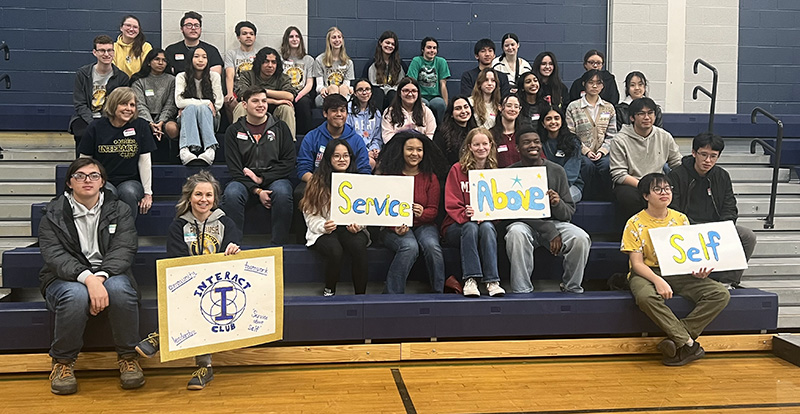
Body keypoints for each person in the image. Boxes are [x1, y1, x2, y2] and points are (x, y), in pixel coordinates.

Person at [40, 158, 143, 395]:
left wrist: (101, 277)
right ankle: (62, 363)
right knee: (76, 295)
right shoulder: (52, 213)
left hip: (110, 273)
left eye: (94, 176)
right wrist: (88, 279)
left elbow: (124, 248)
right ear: (69, 182)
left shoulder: (120, 209)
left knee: (120, 290)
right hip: (64, 278)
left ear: (103, 182)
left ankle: (128, 358)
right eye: (80, 176)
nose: (88, 180)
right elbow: (55, 257)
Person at [136, 171, 242, 390]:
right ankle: (205, 368)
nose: (204, 199)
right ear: (189, 197)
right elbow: (175, 260)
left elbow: (233, 257)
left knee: (202, 303)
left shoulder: (226, 223)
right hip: (190, 282)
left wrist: (234, 251)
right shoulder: (178, 226)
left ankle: (161, 335)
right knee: (191, 299)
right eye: (198, 194)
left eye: (209, 195)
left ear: (215, 198)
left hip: (219, 285)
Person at [621, 173, 730, 366]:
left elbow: (687, 256)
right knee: (646, 297)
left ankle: (677, 339)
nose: (664, 193)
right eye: (657, 189)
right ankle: (688, 343)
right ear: (646, 196)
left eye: (667, 188)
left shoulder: (681, 219)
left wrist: (698, 271)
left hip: (677, 271)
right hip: (646, 272)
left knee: (720, 293)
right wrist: (657, 280)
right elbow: (637, 263)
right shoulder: (634, 223)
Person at [504, 129, 591, 293]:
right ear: (517, 148)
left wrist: (557, 203)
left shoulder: (557, 170)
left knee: (581, 238)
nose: (533, 145)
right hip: (525, 225)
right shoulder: (510, 173)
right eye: (527, 142)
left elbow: (567, 213)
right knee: (515, 233)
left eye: (536, 141)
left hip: (555, 223)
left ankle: (571, 288)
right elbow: (511, 214)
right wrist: (548, 230)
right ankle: (521, 290)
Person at [668, 132, 758, 288]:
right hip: (686, 228)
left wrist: (723, 227)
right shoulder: (677, 175)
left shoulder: (722, 176)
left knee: (747, 236)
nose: (707, 160)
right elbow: (672, 208)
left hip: (715, 228)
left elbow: (730, 206)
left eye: (713, 156)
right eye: (703, 154)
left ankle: (728, 282)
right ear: (694, 152)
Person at [221, 86, 295, 245]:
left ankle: (278, 245)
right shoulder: (233, 131)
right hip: (243, 180)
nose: (261, 105)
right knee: (232, 194)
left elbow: (289, 162)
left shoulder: (281, 127)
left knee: (282, 193)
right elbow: (235, 168)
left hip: (275, 178)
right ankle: (233, 245)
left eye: (264, 101)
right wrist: (257, 189)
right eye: (255, 101)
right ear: (244, 105)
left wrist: (262, 178)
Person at [376, 131, 448, 293]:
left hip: (424, 225)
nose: (414, 153)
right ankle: (392, 295)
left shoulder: (430, 178)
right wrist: (394, 228)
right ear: (402, 150)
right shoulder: (390, 176)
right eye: (410, 149)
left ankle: (439, 292)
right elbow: (380, 211)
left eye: (419, 150)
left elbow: (433, 211)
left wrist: (422, 213)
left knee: (432, 246)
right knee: (409, 246)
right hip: (394, 227)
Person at [300, 139, 370, 296]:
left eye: (346, 155)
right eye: (336, 156)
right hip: (324, 230)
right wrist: (323, 226)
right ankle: (329, 290)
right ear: (329, 158)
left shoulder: (359, 180)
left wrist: (359, 226)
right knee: (334, 250)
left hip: (349, 228)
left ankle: (361, 296)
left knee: (359, 246)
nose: (342, 159)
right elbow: (310, 216)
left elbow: (367, 211)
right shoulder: (316, 182)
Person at [442, 127, 506, 297]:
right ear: (469, 146)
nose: (481, 148)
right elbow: (451, 202)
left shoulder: (495, 171)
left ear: (491, 145)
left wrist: (486, 215)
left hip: (485, 224)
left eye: (485, 144)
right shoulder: (457, 169)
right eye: (476, 144)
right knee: (470, 227)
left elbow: (500, 205)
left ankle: (492, 281)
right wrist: (467, 213)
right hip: (456, 225)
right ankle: (470, 280)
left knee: (486, 227)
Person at [78, 87, 155, 222]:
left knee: (128, 192)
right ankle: (107, 236)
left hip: (131, 181)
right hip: (102, 180)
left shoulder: (141, 125)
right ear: (114, 104)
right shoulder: (96, 127)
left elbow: (145, 161)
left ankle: (126, 235)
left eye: (132, 105)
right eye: (124, 104)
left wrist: (148, 193)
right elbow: (84, 161)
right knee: (108, 193)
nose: (129, 109)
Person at [610, 97, 682, 225]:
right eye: (641, 114)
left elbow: (677, 163)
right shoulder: (620, 140)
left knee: (675, 194)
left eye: (650, 113)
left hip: (658, 183)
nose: (647, 117)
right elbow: (618, 174)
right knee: (628, 197)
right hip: (632, 184)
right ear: (632, 117)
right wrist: (645, 186)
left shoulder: (664, 136)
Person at [69, 35, 130, 153]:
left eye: (110, 50)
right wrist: (92, 123)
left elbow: (119, 104)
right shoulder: (83, 74)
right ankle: (82, 166)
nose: (106, 54)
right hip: (85, 117)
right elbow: (79, 104)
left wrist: (103, 121)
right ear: (94, 52)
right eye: (102, 50)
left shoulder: (122, 78)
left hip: (110, 117)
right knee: (82, 133)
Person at [565, 69, 617, 200]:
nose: (594, 86)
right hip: (581, 151)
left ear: (603, 85)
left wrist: (602, 151)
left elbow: (612, 135)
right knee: (587, 166)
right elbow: (571, 134)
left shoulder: (609, 108)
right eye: (591, 82)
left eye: (598, 83)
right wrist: (586, 151)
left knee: (606, 165)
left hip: (603, 151)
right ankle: (586, 199)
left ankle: (607, 198)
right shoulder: (573, 107)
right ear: (584, 84)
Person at [233, 47, 297, 139]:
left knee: (287, 108)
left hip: (275, 112)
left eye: (273, 62)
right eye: (266, 62)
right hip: (253, 110)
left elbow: (289, 96)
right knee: (241, 106)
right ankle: (237, 140)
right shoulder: (247, 75)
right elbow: (244, 96)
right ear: (259, 63)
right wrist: (275, 101)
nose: (270, 65)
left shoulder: (282, 78)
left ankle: (289, 144)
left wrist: (264, 92)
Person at [174, 46, 223, 165]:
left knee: (199, 108)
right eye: (196, 57)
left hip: (211, 118)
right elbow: (179, 102)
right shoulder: (181, 76)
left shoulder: (214, 76)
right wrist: (206, 102)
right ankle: (185, 151)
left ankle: (210, 150)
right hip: (187, 117)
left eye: (204, 57)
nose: (200, 60)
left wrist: (201, 105)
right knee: (191, 108)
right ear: (190, 59)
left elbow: (219, 103)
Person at [130, 48, 179, 162]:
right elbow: (139, 104)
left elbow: (171, 104)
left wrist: (161, 121)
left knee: (172, 128)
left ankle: (173, 162)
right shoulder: (138, 80)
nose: (161, 63)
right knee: (140, 127)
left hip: (166, 118)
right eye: (157, 59)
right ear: (149, 62)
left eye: (164, 60)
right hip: (143, 117)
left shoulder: (172, 80)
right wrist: (150, 122)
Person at [538, 106, 584, 202]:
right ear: (543, 123)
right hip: (544, 187)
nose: (553, 122)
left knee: (558, 200)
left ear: (562, 121)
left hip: (570, 187)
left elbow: (571, 173)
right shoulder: (538, 142)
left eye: (557, 118)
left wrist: (556, 191)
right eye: (548, 119)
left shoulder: (572, 141)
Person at [165, 11, 223, 76]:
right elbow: (168, 76)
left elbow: (215, 76)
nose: (193, 28)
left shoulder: (211, 50)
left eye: (196, 25)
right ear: (181, 29)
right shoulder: (171, 50)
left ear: (200, 29)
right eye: (189, 25)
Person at [280, 26, 315, 135]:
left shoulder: (308, 59)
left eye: (297, 36)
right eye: (291, 37)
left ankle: (305, 137)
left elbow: (310, 83)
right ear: (286, 39)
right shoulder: (280, 58)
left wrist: (299, 95)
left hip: (302, 92)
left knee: (303, 103)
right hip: (284, 92)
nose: (294, 39)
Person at [406, 37, 450, 121]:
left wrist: (446, 104)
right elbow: (412, 82)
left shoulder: (441, 62)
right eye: (429, 47)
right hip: (420, 96)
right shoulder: (417, 61)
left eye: (434, 48)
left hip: (435, 97)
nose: (432, 50)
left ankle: (441, 130)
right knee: (423, 104)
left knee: (440, 104)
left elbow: (443, 85)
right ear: (423, 49)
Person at [381, 77, 437, 142]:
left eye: (414, 91)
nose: (410, 94)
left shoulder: (426, 112)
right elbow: (387, 137)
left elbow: (430, 135)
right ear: (399, 93)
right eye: (406, 90)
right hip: (397, 149)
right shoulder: (389, 112)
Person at [223, 21, 258, 122]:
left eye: (251, 34)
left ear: (255, 37)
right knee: (229, 101)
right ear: (238, 37)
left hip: (254, 90)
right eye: (244, 34)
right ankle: (235, 128)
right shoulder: (232, 54)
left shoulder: (259, 54)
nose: (248, 36)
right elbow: (229, 75)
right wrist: (229, 93)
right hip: (237, 90)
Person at [362, 31, 405, 110]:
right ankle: (376, 119)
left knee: (393, 93)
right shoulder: (371, 64)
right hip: (376, 96)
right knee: (378, 92)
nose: (389, 46)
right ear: (380, 43)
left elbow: (403, 84)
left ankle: (395, 120)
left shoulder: (400, 64)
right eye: (387, 43)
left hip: (393, 95)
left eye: (392, 44)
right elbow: (364, 83)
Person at [313, 27, 355, 106]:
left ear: (342, 40)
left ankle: (340, 111)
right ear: (329, 41)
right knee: (333, 88)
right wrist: (322, 89)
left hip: (342, 94)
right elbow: (319, 86)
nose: (337, 40)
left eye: (339, 37)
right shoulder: (319, 60)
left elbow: (346, 85)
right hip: (325, 96)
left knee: (343, 88)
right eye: (333, 37)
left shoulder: (348, 62)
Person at [347, 79, 382, 170]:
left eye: (367, 89)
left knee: (383, 164)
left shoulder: (376, 113)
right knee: (370, 162)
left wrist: (375, 149)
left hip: (370, 151)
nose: (364, 92)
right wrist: (365, 151)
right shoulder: (348, 110)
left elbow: (377, 137)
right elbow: (348, 136)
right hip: (353, 150)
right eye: (360, 90)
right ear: (355, 93)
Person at [433, 96, 477, 166]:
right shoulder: (441, 132)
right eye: (458, 109)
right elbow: (438, 160)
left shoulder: (476, 131)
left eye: (466, 107)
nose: (463, 111)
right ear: (451, 114)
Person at [489, 94, 521, 168]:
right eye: (509, 106)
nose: (512, 109)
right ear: (500, 107)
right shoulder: (490, 134)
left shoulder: (525, 134)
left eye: (516, 107)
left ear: (520, 109)